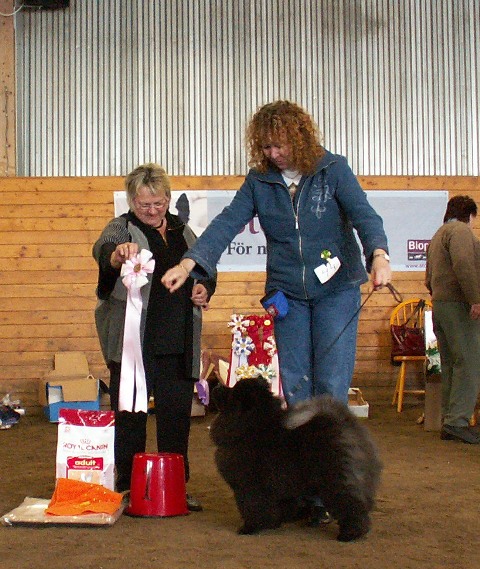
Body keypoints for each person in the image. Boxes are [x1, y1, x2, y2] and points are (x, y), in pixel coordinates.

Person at [161, 100, 391, 524]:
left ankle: (335, 485)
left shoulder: (332, 170)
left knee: (330, 388)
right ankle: (305, 491)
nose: (273, 154)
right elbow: (226, 224)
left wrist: (379, 254)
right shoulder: (259, 182)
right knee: (298, 389)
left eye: (281, 145)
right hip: (287, 294)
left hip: (337, 290)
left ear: (300, 138)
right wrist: (188, 263)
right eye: (266, 147)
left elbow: (364, 215)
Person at [93, 163, 216, 510]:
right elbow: (104, 249)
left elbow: (205, 269)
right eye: (144, 204)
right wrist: (118, 256)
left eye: (159, 203)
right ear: (132, 200)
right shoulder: (121, 228)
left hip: (178, 340)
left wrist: (205, 289)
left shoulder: (183, 230)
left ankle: (174, 485)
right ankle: (128, 488)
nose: (152, 210)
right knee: (130, 417)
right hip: (133, 344)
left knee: (176, 418)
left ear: (168, 199)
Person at [425, 195, 480, 445]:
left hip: (440, 304)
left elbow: (428, 277)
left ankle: (449, 420)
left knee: (449, 363)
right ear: (470, 215)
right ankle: (458, 422)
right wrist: (475, 299)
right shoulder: (460, 231)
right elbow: (464, 265)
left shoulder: (439, 234)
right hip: (459, 305)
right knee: (469, 362)